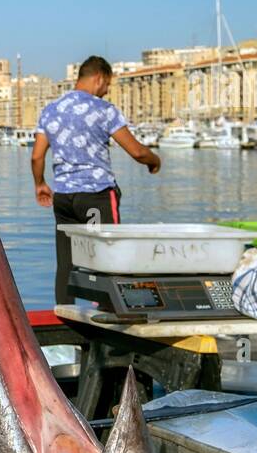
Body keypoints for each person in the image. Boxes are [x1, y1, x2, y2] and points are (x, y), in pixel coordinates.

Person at [31, 55, 160, 304]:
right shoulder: (104, 110)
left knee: (66, 265)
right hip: (97, 195)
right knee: (107, 259)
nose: (107, 90)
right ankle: (107, 325)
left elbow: (37, 157)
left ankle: (66, 326)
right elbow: (136, 151)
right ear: (99, 78)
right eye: (108, 84)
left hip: (64, 198)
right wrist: (155, 161)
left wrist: (40, 184)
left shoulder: (51, 110)